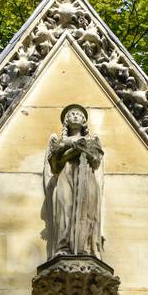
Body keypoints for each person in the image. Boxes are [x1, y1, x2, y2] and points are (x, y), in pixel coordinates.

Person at [43, 104, 104, 258]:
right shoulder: (59, 142)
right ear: (66, 121)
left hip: (87, 178)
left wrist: (82, 149)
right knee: (65, 209)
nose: (75, 116)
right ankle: (63, 246)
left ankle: (85, 247)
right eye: (72, 114)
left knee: (87, 211)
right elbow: (54, 166)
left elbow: (96, 161)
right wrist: (72, 150)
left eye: (78, 114)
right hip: (65, 176)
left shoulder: (91, 141)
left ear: (84, 120)